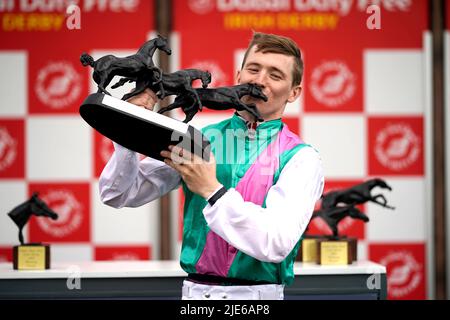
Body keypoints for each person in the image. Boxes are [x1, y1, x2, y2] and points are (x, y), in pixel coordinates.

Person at [99, 32, 324, 300]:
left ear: (294, 92)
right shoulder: (199, 139)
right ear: (239, 75)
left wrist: (211, 190)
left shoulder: (302, 158)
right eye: (253, 69)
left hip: (260, 298)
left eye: (275, 75)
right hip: (196, 296)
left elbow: (275, 242)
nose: (260, 80)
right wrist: (129, 129)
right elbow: (118, 194)